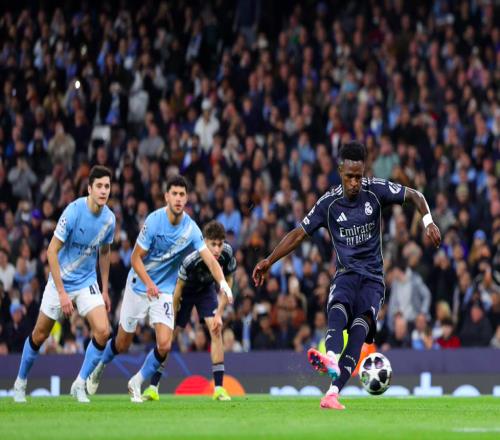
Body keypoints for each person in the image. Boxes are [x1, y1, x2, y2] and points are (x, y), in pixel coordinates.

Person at [252, 141, 441, 410]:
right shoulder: (328, 203)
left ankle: (332, 393)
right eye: (350, 176)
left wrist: (428, 221)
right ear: (340, 171)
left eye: (359, 177)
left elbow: (415, 196)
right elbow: (298, 234)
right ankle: (330, 357)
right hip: (346, 273)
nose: (354, 183)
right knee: (338, 306)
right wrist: (269, 260)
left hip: (373, 280)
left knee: (358, 332)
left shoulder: (375, 191)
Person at [86, 176, 233, 403]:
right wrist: (149, 283)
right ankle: (100, 366)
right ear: (166, 197)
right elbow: (135, 258)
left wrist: (222, 284)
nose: (178, 198)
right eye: (174, 194)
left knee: (165, 344)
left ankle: (136, 382)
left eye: (182, 194)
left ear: (186, 198)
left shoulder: (191, 228)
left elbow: (212, 262)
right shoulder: (154, 222)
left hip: (163, 289)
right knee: (122, 343)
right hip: (139, 284)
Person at [12, 165, 116, 403]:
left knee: (103, 331)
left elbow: (105, 252)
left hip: (87, 281)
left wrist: (105, 289)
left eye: (107, 186)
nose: (103, 191)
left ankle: (79, 384)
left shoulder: (109, 219)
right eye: (99, 186)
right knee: (40, 334)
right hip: (61, 280)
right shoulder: (73, 211)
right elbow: (51, 251)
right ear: (89, 189)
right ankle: (20, 382)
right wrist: (61, 293)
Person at [141, 220, 236, 402]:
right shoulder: (191, 259)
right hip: (184, 292)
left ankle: (219, 389)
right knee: (169, 337)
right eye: (213, 244)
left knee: (216, 330)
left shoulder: (227, 253)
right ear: (204, 241)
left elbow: (228, 280)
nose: (217, 249)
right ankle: (153, 387)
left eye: (220, 244)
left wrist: (219, 314)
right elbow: (177, 291)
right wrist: (171, 318)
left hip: (206, 291)